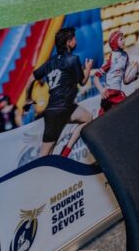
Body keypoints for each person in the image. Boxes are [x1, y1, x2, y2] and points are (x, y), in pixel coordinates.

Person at [25, 27, 94, 158]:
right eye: (74, 38)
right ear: (68, 42)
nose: (76, 41)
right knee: (44, 156)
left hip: (59, 109)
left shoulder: (50, 61)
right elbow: (83, 82)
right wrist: (88, 68)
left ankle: (66, 151)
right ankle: (36, 177)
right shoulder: (73, 59)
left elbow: (30, 79)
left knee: (88, 118)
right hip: (61, 109)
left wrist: (28, 98)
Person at [94, 30, 139, 114]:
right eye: (121, 39)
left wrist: (132, 78)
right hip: (110, 93)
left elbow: (125, 81)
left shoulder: (125, 56)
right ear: (115, 42)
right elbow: (96, 78)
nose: (124, 41)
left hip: (117, 92)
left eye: (124, 39)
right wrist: (102, 90)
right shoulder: (110, 59)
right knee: (129, 108)